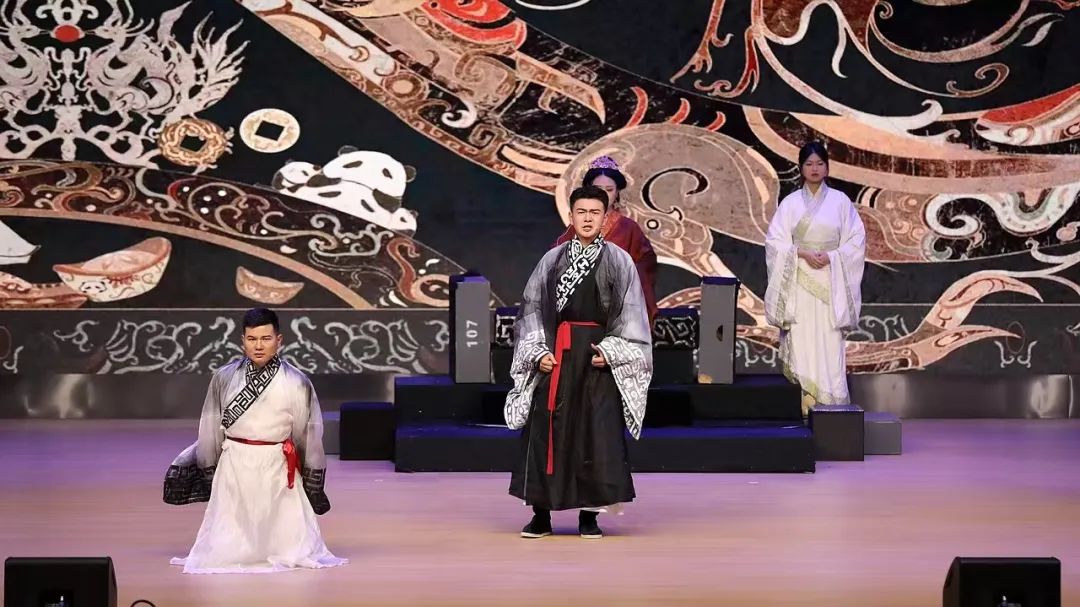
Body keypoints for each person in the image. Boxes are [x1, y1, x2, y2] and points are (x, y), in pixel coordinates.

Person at [506, 185, 653, 540]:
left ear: (606, 218)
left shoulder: (619, 260)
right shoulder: (552, 260)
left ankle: (590, 515)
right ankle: (541, 514)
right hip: (556, 356)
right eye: (581, 212)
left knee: (596, 434)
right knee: (546, 430)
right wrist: (538, 352)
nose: (587, 219)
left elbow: (631, 314)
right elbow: (531, 310)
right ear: (571, 216)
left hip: (596, 356)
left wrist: (612, 352)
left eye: (594, 213)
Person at [163, 308, 347, 574]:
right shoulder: (224, 377)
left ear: (279, 340)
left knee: (286, 539)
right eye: (252, 339)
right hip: (234, 460)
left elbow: (307, 434)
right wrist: (209, 467)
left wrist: (311, 479)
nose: (258, 346)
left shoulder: (297, 381)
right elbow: (210, 425)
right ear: (242, 341)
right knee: (229, 534)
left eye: (265, 338)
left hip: (277, 462)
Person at [764, 141, 866, 417]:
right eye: (809, 164)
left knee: (829, 342)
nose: (814, 169)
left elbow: (856, 241)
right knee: (803, 340)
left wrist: (833, 257)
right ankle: (806, 406)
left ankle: (834, 409)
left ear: (827, 167)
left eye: (820, 163)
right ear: (801, 168)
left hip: (831, 281)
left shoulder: (840, 202)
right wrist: (801, 252)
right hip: (799, 281)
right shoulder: (790, 203)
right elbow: (775, 243)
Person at [554, 156, 659, 321]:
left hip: (618, 307)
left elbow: (645, 263)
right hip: (580, 307)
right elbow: (555, 260)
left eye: (609, 189)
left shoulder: (629, 228)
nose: (602, 194)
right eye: (597, 189)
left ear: (617, 193)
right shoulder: (577, 226)